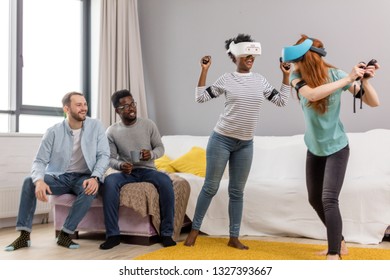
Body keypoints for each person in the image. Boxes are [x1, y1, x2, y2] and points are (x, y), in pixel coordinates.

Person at [184, 33, 291, 250]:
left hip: (245, 144)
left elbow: (281, 101)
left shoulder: (260, 80)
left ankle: (233, 237)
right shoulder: (226, 79)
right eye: (246, 55)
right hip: (221, 140)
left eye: (252, 54)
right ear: (235, 56)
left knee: (237, 192)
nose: (250, 58)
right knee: (210, 187)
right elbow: (200, 97)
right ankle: (194, 231)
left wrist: (286, 76)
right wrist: (203, 71)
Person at [281, 34, 380, 260]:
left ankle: (334, 254)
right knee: (314, 199)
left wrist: (364, 80)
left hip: (337, 147)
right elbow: (313, 94)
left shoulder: (335, 75)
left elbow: (374, 102)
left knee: (328, 199)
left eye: (297, 61)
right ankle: (341, 242)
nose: (294, 66)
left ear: (309, 59)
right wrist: (348, 79)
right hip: (314, 148)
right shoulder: (297, 78)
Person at [4, 91, 110, 251]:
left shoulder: (96, 126)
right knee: (29, 182)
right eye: (79, 105)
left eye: (85, 104)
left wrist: (95, 177)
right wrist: (39, 181)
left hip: (85, 177)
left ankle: (65, 234)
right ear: (66, 109)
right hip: (60, 177)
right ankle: (24, 236)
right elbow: (39, 161)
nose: (84, 108)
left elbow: (104, 155)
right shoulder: (53, 131)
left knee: (89, 189)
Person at [99, 89, 176, 250]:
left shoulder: (148, 124)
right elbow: (110, 158)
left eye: (132, 103)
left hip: (148, 170)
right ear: (117, 111)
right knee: (109, 182)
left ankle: (167, 233)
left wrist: (151, 154)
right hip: (126, 172)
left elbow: (160, 148)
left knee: (166, 182)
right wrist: (121, 165)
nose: (131, 108)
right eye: (125, 106)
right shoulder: (112, 131)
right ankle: (113, 235)